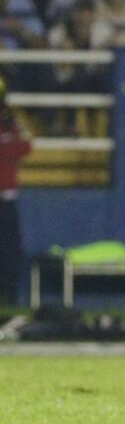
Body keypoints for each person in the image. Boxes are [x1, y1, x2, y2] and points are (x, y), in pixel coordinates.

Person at [0, 73, 30, 305]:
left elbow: (24, 147)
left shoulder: (10, 125)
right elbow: (14, 150)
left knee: (11, 249)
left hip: (8, 198)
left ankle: (9, 294)